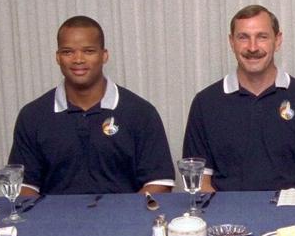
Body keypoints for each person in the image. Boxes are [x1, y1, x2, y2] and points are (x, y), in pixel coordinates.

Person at [9, 15, 173, 195]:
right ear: (58, 57)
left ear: (104, 56)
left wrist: (127, 216)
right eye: (68, 52)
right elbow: (24, 186)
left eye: (88, 51)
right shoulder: (33, 116)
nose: (78, 59)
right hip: (54, 221)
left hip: (123, 220)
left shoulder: (140, 112)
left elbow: (159, 182)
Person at [181, 5, 295, 191]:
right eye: (243, 37)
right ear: (231, 42)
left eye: (262, 37)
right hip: (227, 216)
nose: (252, 47)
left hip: (293, 214)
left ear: (277, 41)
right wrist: (224, 218)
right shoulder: (205, 104)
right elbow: (200, 181)